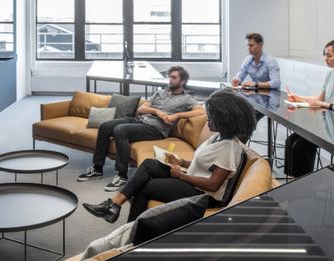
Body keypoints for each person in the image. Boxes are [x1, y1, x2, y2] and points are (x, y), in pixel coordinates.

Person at [82, 90, 256, 224]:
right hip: (192, 179)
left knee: (146, 187)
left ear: (226, 120)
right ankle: (114, 204)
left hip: (202, 195)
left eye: (211, 118)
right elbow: (204, 165)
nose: (207, 119)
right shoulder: (218, 137)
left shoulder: (228, 147)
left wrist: (181, 174)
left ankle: (129, 230)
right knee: (150, 163)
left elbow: (213, 184)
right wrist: (180, 161)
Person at [77, 66, 205, 191]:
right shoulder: (160, 92)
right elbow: (141, 109)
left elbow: (201, 111)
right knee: (105, 126)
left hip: (155, 129)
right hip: (139, 120)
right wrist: (157, 112)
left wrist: (177, 115)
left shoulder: (187, 99)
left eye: (173, 77)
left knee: (120, 130)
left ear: (182, 81)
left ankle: (122, 176)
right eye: (169, 77)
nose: (170, 80)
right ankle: (97, 168)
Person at [288, 39, 334, 117]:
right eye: (325, 55)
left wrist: (322, 104)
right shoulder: (330, 74)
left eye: (329, 55)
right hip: (330, 124)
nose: (325, 58)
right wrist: (299, 99)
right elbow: (320, 98)